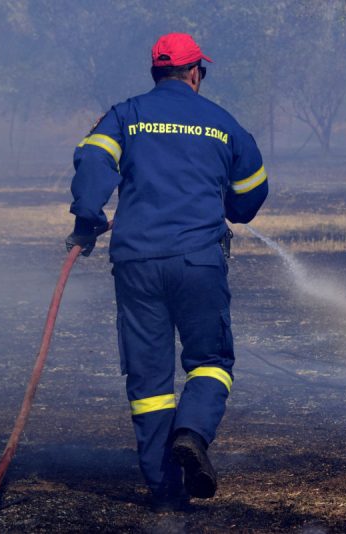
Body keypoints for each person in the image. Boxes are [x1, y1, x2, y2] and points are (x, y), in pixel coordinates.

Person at [65, 32, 268, 512]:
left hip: (136, 263)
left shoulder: (125, 115)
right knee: (211, 362)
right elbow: (252, 192)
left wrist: (87, 220)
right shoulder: (224, 123)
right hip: (199, 261)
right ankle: (193, 434)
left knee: (150, 381)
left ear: (155, 72)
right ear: (196, 72)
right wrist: (231, 208)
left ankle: (164, 491)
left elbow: (93, 161)